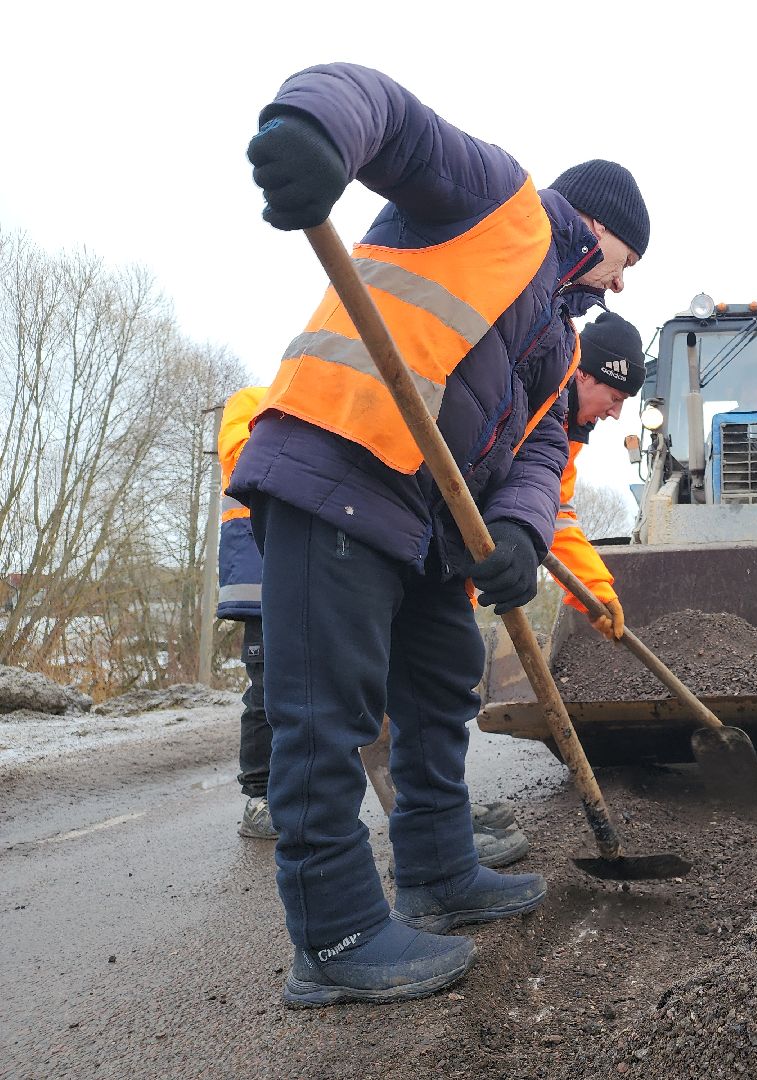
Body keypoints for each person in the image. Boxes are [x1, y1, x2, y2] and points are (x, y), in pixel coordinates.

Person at [234, 62, 649, 1007]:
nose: (630, 277)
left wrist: (514, 532)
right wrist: (316, 130)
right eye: (633, 256)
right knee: (325, 714)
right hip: (336, 461)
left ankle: (438, 872)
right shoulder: (500, 205)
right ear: (604, 226)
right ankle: (334, 938)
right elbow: (386, 113)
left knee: (441, 688)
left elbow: (541, 455)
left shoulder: (556, 339)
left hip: (422, 525)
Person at [220, 387, 536, 866]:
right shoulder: (266, 405)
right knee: (282, 691)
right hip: (269, 566)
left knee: (381, 686)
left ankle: (429, 819)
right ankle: (263, 800)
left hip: (337, 548)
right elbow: (252, 462)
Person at [553, 312, 648, 638]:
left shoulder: (567, 435)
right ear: (582, 375)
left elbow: (555, 514)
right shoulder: (532, 407)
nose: (615, 413)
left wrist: (596, 588)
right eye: (615, 398)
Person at [216, 387, 275, 841]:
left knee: (307, 693)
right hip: (261, 586)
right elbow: (244, 462)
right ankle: (259, 800)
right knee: (266, 693)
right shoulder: (251, 406)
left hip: (298, 573)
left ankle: (294, 795)